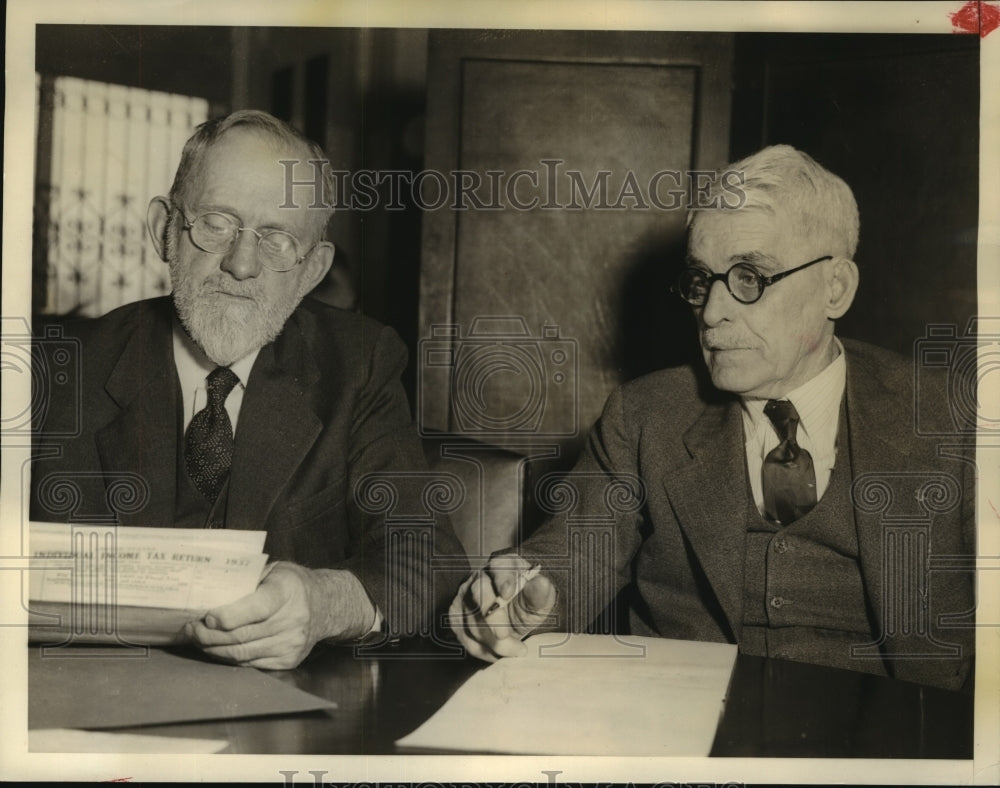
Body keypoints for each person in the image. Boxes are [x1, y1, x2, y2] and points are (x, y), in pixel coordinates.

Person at [449, 145, 975, 691]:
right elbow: (575, 552)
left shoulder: (951, 418)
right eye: (702, 281)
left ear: (835, 288)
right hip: (686, 730)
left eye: (750, 277)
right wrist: (522, 599)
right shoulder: (647, 414)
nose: (711, 311)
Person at [31, 110, 466, 669]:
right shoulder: (55, 373)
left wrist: (323, 602)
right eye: (216, 223)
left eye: (278, 239)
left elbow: (427, 556)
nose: (241, 263)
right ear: (165, 229)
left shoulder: (358, 363)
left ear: (312, 271)